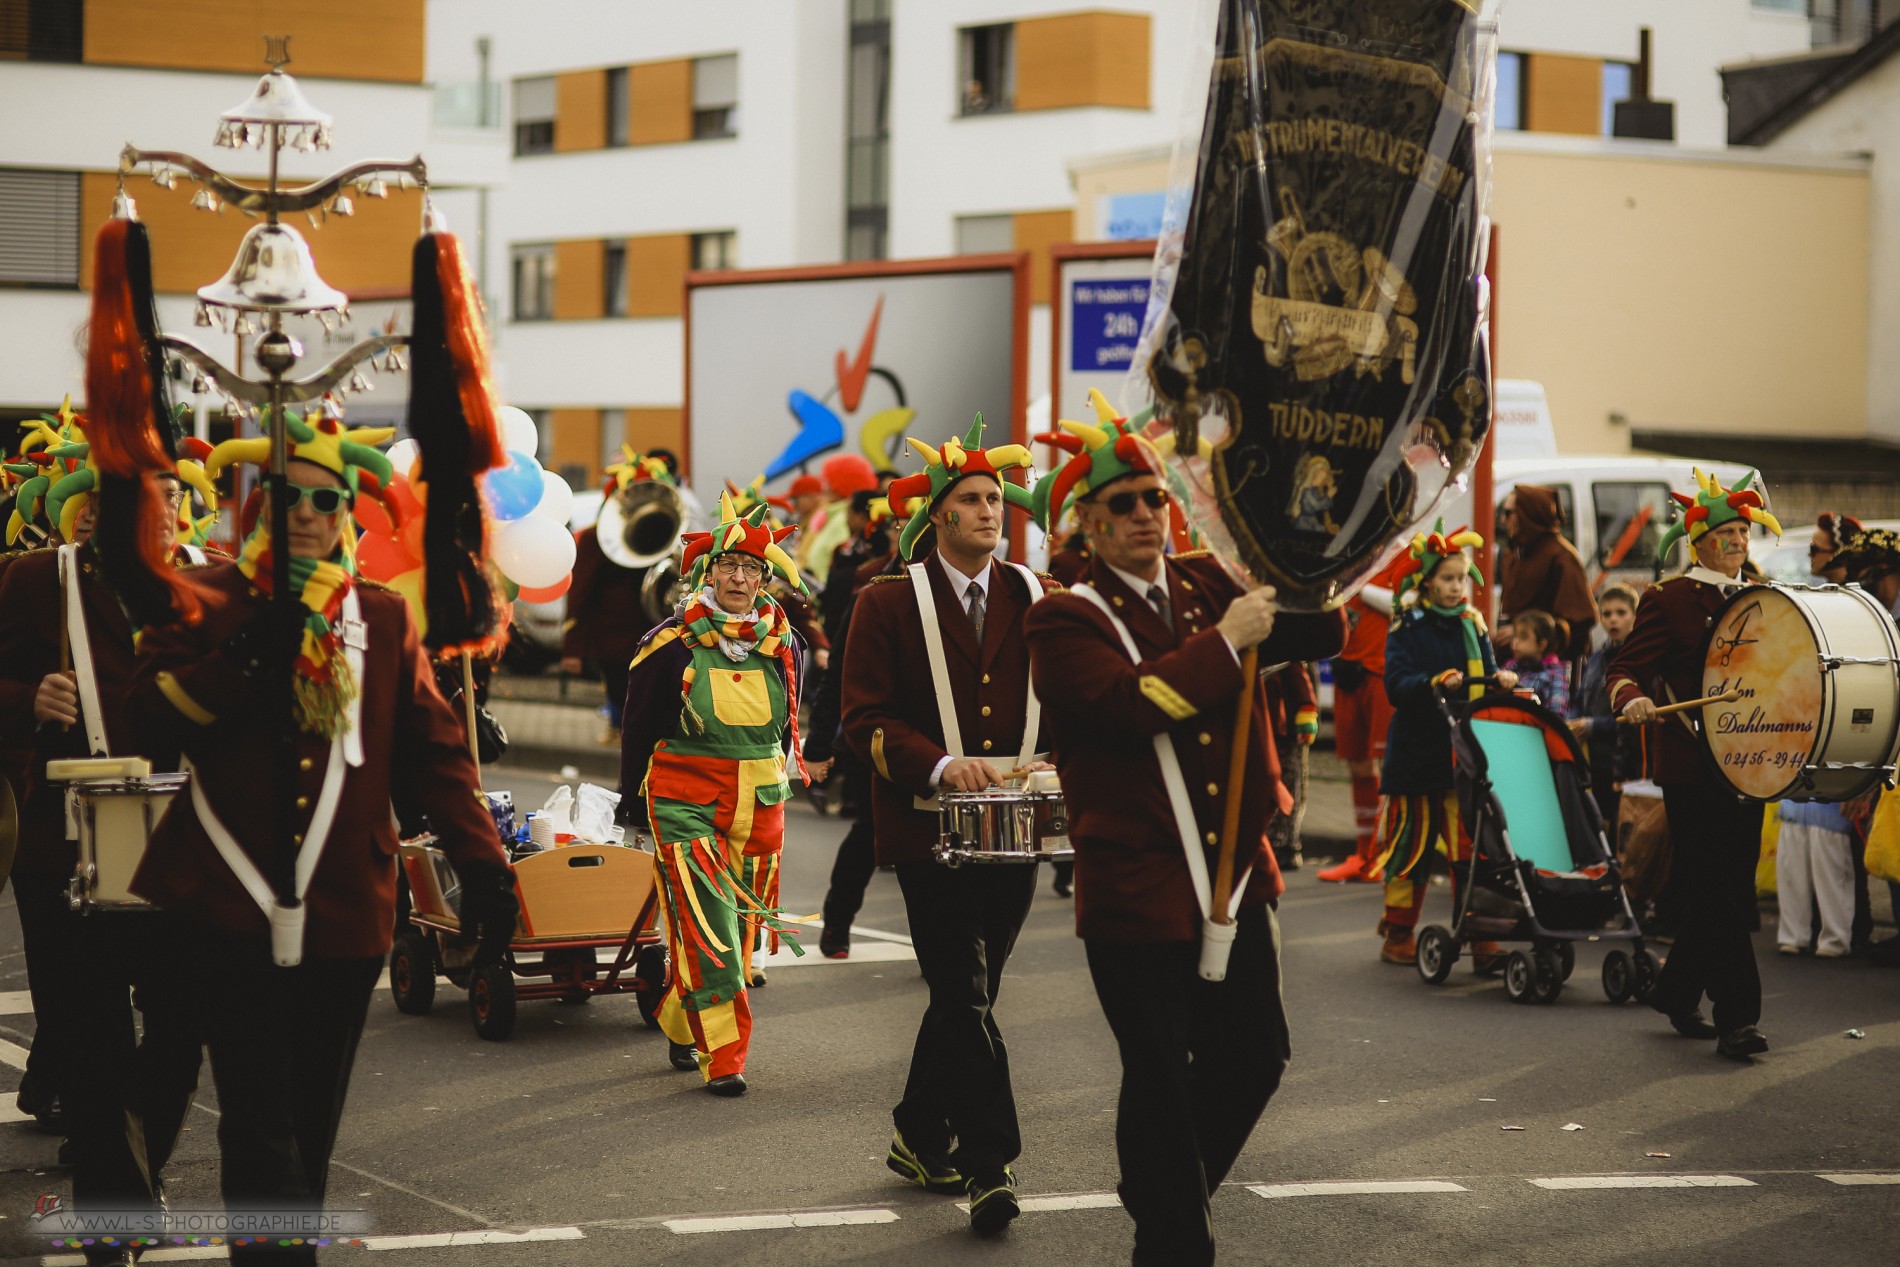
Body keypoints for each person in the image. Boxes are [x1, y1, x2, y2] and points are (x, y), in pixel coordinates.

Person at [128, 412, 518, 1261]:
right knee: (259, 1127)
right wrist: (242, 660)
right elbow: (148, 716)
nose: (305, 512)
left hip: (344, 912)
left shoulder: (380, 617)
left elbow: (437, 755)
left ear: (347, 512)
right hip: (228, 908)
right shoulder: (212, 600)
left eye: (324, 498)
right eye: (288, 496)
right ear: (260, 505)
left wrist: (486, 868)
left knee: (309, 1127)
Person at [1023, 401, 1345, 1267]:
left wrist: (1315, 528)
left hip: (1240, 868)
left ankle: (1163, 1185)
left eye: (1153, 499)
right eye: (1121, 503)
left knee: (1257, 1054)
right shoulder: (1063, 618)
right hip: (1140, 883)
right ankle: (1173, 1238)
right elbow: (1130, 708)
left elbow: (1325, 626)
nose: (1142, 515)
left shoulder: (1210, 581)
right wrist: (1229, 645)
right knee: (1161, 1073)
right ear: (1087, 523)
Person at [841, 417, 1052, 1236]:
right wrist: (938, 763)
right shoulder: (886, 600)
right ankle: (989, 1162)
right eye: (971, 498)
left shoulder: (1036, 595)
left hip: (1019, 829)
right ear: (939, 518)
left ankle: (918, 1129)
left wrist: (1060, 760)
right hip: (928, 831)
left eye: (995, 497)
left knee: (971, 991)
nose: (990, 510)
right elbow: (864, 718)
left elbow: (1061, 698)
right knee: (964, 993)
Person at [0, 458, 210, 1264]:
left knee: (183, 1024)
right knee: (90, 1040)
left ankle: (133, 1179)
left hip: (181, 840)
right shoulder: (31, 581)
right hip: (63, 844)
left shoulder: (211, 584)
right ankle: (113, 1213)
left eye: (168, 503)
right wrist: (26, 698)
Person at [620, 491, 808, 1095]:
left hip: (759, 804)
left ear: (765, 577)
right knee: (711, 933)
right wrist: (631, 806)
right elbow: (639, 729)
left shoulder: (785, 644)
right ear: (706, 572)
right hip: (684, 800)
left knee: (738, 933)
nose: (740, 577)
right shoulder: (670, 643)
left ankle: (683, 1016)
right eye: (728, 566)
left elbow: (794, 722)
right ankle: (724, 1058)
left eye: (752, 568)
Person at [1609, 468, 1781, 1061]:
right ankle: (1739, 1020)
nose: (1739, 541)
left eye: (1743, 532)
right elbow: (1625, 667)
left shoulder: (1763, 597)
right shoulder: (1670, 598)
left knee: (1726, 888)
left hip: (1752, 761)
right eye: (1729, 532)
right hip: (1692, 765)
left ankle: (1674, 991)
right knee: (1719, 891)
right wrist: (1631, 696)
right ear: (1700, 541)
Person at [1373, 523, 1517, 966]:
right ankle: (1398, 933)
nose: (1457, 587)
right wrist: (1434, 681)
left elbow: (1490, 674)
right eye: (1448, 579)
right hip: (1417, 756)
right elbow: (1396, 686)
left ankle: (1481, 934)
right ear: (1428, 582)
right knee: (1410, 847)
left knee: (1473, 848)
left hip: (1466, 754)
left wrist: (1502, 680)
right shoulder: (1407, 625)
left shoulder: (1472, 623)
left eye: (1461, 578)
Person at [562, 448, 674, 746]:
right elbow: (580, 594)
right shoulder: (594, 538)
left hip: (655, 636)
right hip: (614, 644)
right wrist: (573, 648)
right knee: (630, 712)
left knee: (650, 714)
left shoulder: (663, 532)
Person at [1316, 555, 1406, 883]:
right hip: (1346, 669)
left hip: (1381, 671)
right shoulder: (1345, 553)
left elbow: (1407, 605)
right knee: (1357, 764)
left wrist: (1357, 587)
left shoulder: (1402, 550)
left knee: (1389, 767)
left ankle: (1391, 853)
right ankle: (1364, 854)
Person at [1496, 483, 1596, 661]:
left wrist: (1524, 633)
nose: (1503, 520)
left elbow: (1578, 621)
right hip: (1516, 663)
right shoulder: (1516, 553)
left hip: (1551, 670)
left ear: (1528, 516)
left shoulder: (1562, 557)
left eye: (1509, 513)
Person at [1570, 582, 1641, 827]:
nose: (1613, 620)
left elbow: (1635, 718)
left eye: (1621, 613)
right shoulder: (1597, 658)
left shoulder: (1639, 658)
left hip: (1624, 760)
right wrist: (1572, 722)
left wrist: (1592, 725)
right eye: (1607, 614)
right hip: (1594, 758)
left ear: (1635, 615)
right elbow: (1581, 698)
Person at [1505, 609, 1570, 719]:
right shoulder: (1510, 668)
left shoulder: (1554, 674)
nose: (1515, 642)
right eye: (1515, 636)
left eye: (1523, 637)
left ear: (1542, 645)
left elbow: (1557, 713)